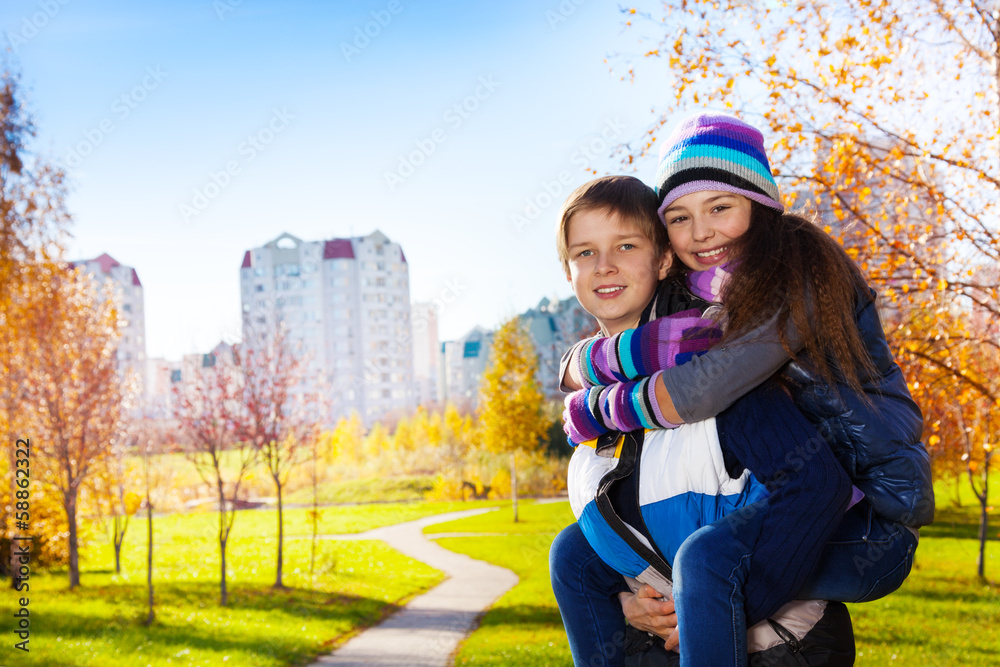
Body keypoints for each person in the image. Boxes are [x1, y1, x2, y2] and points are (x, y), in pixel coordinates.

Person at [558, 113, 934, 666]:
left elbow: (705, 385)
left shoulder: (794, 277)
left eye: (720, 207)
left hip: (871, 513)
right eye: (680, 217)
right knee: (576, 553)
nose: (701, 232)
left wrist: (600, 401)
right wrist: (580, 363)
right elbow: (658, 344)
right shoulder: (701, 301)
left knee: (708, 563)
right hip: (791, 495)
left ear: (759, 205)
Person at [551, 173, 856, 666]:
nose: (603, 266)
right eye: (584, 252)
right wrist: (629, 603)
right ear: (568, 272)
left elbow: (817, 485)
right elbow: (641, 513)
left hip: (783, 648)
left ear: (664, 258)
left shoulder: (711, 367)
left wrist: (731, 608)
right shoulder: (602, 401)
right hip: (676, 642)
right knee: (570, 552)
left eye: (625, 245)